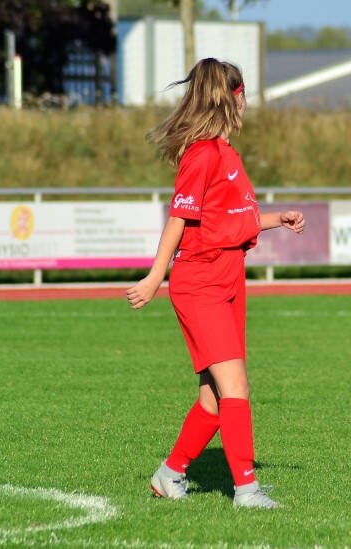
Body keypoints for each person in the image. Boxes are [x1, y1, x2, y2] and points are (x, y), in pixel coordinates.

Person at [126, 58, 305, 508]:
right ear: (235, 97)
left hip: (228, 279)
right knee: (236, 388)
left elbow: (228, 221)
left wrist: (274, 220)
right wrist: (154, 277)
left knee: (213, 396)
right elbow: (179, 219)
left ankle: (169, 475)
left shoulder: (227, 156)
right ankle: (246, 490)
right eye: (244, 97)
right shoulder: (203, 154)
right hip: (201, 282)